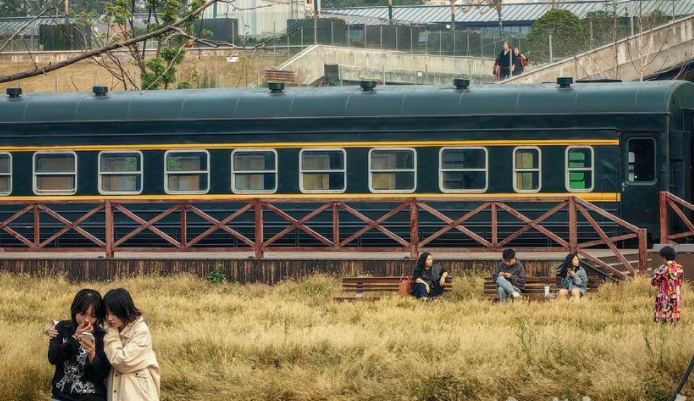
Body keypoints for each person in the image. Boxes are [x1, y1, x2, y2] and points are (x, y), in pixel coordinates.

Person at [48, 289, 111, 401]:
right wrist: (74, 339)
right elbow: (53, 358)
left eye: (93, 315)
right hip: (63, 397)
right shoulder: (62, 328)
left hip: (93, 397)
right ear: (74, 310)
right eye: (82, 314)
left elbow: (102, 374)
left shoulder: (103, 336)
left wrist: (92, 354)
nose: (87, 320)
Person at [103, 288, 160, 401]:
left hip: (139, 395)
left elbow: (122, 361)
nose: (109, 318)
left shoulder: (141, 331)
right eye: (106, 313)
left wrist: (112, 335)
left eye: (114, 313)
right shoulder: (110, 330)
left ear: (124, 310)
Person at [651, 246, 684, 324]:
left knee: (662, 321)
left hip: (664, 298)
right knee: (674, 320)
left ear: (664, 257)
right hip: (676, 297)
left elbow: (653, 282)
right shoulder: (680, 268)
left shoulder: (662, 268)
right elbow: (680, 282)